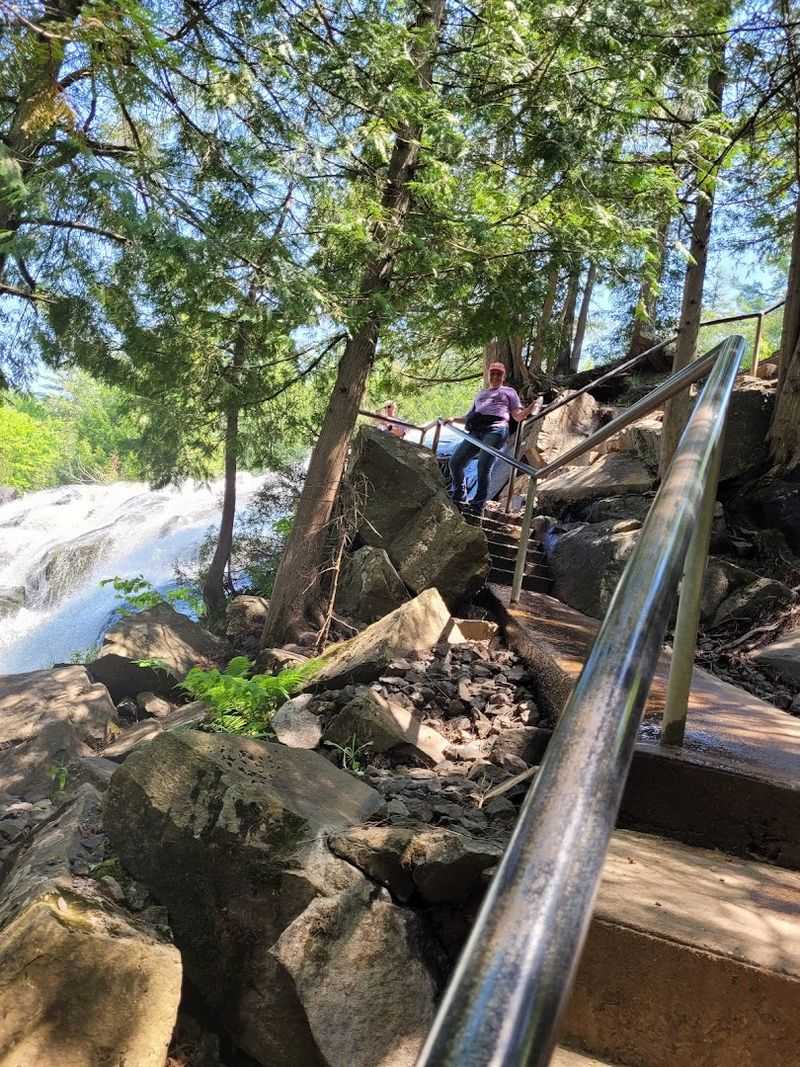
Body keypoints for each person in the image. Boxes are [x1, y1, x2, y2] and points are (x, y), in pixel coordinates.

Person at [449, 362, 540, 514]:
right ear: (488, 375)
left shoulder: (509, 391)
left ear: (503, 377)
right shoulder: (481, 394)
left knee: (483, 465)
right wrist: (452, 419)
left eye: (499, 374)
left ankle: (477, 504)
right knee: (455, 461)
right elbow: (468, 417)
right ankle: (459, 495)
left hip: (496, 428)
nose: (495, 376)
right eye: (493, 373)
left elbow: (517, 416)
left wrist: (530, 408)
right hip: (477, 429)